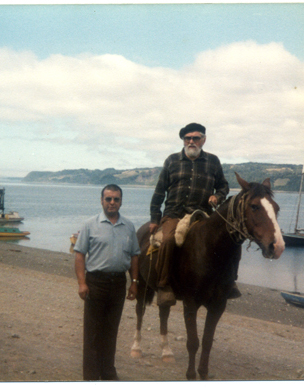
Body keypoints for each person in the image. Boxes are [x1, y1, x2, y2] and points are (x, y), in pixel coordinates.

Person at [150, 123, 234, 307]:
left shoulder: (213, 161)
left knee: (227, 238)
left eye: (196, 138)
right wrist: (154, 219)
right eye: (187, 138)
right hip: (174, 213)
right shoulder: (172, 161)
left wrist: (218, 196)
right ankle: (164, 286)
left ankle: (228, 281)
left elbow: (223, 186)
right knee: (169, 240)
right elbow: (159, 192)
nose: (191, 141)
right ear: (183, 140)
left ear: (203, 140)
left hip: (202, 213)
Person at [73, 184, 141, 381]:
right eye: (108, 199)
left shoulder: (129, 226)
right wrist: (81, 283)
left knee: (111, 331)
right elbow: (79, 255)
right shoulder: (90, 224)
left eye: (116, 199)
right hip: (95, 283)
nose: (112, 203)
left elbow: (135, 256)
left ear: (121, 201)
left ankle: (108, 373)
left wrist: (134, 282)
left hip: (118, 284)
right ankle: (92, 378)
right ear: (101, 201)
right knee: (93, 333)